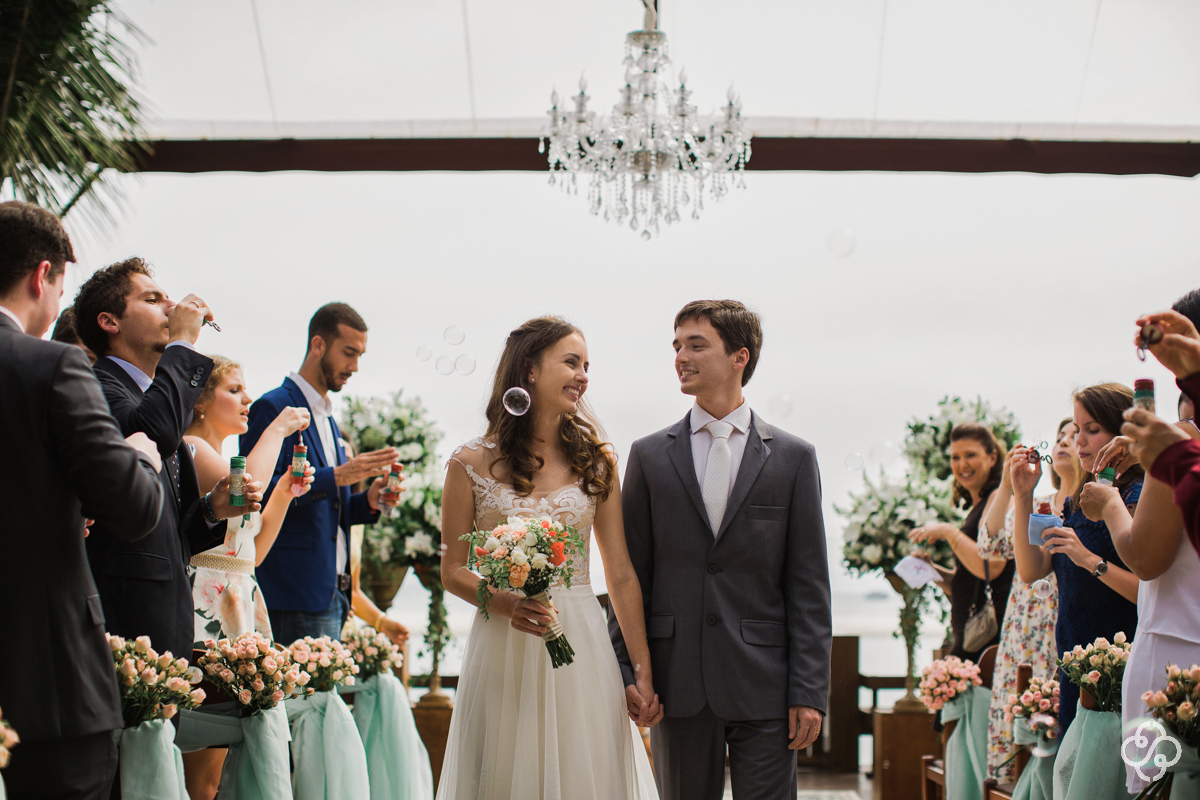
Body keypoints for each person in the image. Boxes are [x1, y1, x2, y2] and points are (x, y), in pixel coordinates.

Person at [609, 300, 831, 800]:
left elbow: (809, 584)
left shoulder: (794, 458)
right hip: (674, 683)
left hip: (767, 686)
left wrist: (809, 692)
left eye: (696, 344)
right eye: (677, 345)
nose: (681, 357)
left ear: (739, 357)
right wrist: (626, 670)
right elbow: (628, 576)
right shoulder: (647, 456)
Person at [439, 316, 660, 800]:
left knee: (585, 775)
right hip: (502, 643)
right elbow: (452, 571)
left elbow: (620, 574)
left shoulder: (598, 460)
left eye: (587, 365)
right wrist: (507, 604)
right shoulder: (469, 463)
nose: (583, 375)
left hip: (580, 638)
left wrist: (641, 672)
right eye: (571, 362)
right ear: (530, 370)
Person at [0, 201, 164, 799]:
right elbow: (133, 507)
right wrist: (141, 456)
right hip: (47, 683)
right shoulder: (52, 366)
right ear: (42, 276)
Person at [74, 257, 262, 669]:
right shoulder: (95, 385)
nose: (171, 306)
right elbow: (150, 434)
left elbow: (169, 531)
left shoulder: (154, 398)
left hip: (165, 613)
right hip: (122, 614)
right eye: (153, 298)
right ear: (110, 322)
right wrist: (181, 344)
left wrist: (212, 509)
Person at [179, 355, 316, 800]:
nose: (247, 399)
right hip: (207, 609)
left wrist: (283, 493)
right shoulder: (192, 449)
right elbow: (245, 494)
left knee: (218, 768)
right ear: (200, 400)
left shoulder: (225, 458)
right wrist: (275, 429)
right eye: (235, 390)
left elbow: (251, 550)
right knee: (198, 765)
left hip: (240, 601)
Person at [241, 302, 394, 643]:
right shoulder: (274, 406)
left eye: (360, 356)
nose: (354, 366)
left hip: (334, 594)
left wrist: (368, 501)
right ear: (318, 345)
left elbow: (328, 511)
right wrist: (337, 476)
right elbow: (258, 495)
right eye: (348, 353)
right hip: (293, 592)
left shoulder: (328, 417)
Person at [1010, 384, 1142, 734]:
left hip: (1120, 665)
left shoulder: (1137, 495)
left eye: (1092, 430)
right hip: (1076, 663)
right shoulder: (1077, 502)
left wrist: (1088, 559)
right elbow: (1031, 569)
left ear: (1123, 435)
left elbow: (1151, 592)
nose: (1079, 440)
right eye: (1075, 431)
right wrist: (1022, 496)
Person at [978, 419, 1077, 782]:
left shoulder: (1092, 505)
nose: (1066, 441)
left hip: (1059, 638)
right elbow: (989, 545)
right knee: (1014, 753)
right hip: (1021, 639)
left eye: (1075, 435)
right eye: (1060, 437)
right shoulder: (1037, 503)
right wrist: (1008, 484)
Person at [910, 423, 1014, 662]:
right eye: (955, 457)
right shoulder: (978, 506)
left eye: (970, 455)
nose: (962, 465)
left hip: (990, 640)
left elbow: (992, 567)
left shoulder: (999, 497)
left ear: (992, 457)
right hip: (970, 635)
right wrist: (933, 571)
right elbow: (967, 582)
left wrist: (948, 532)